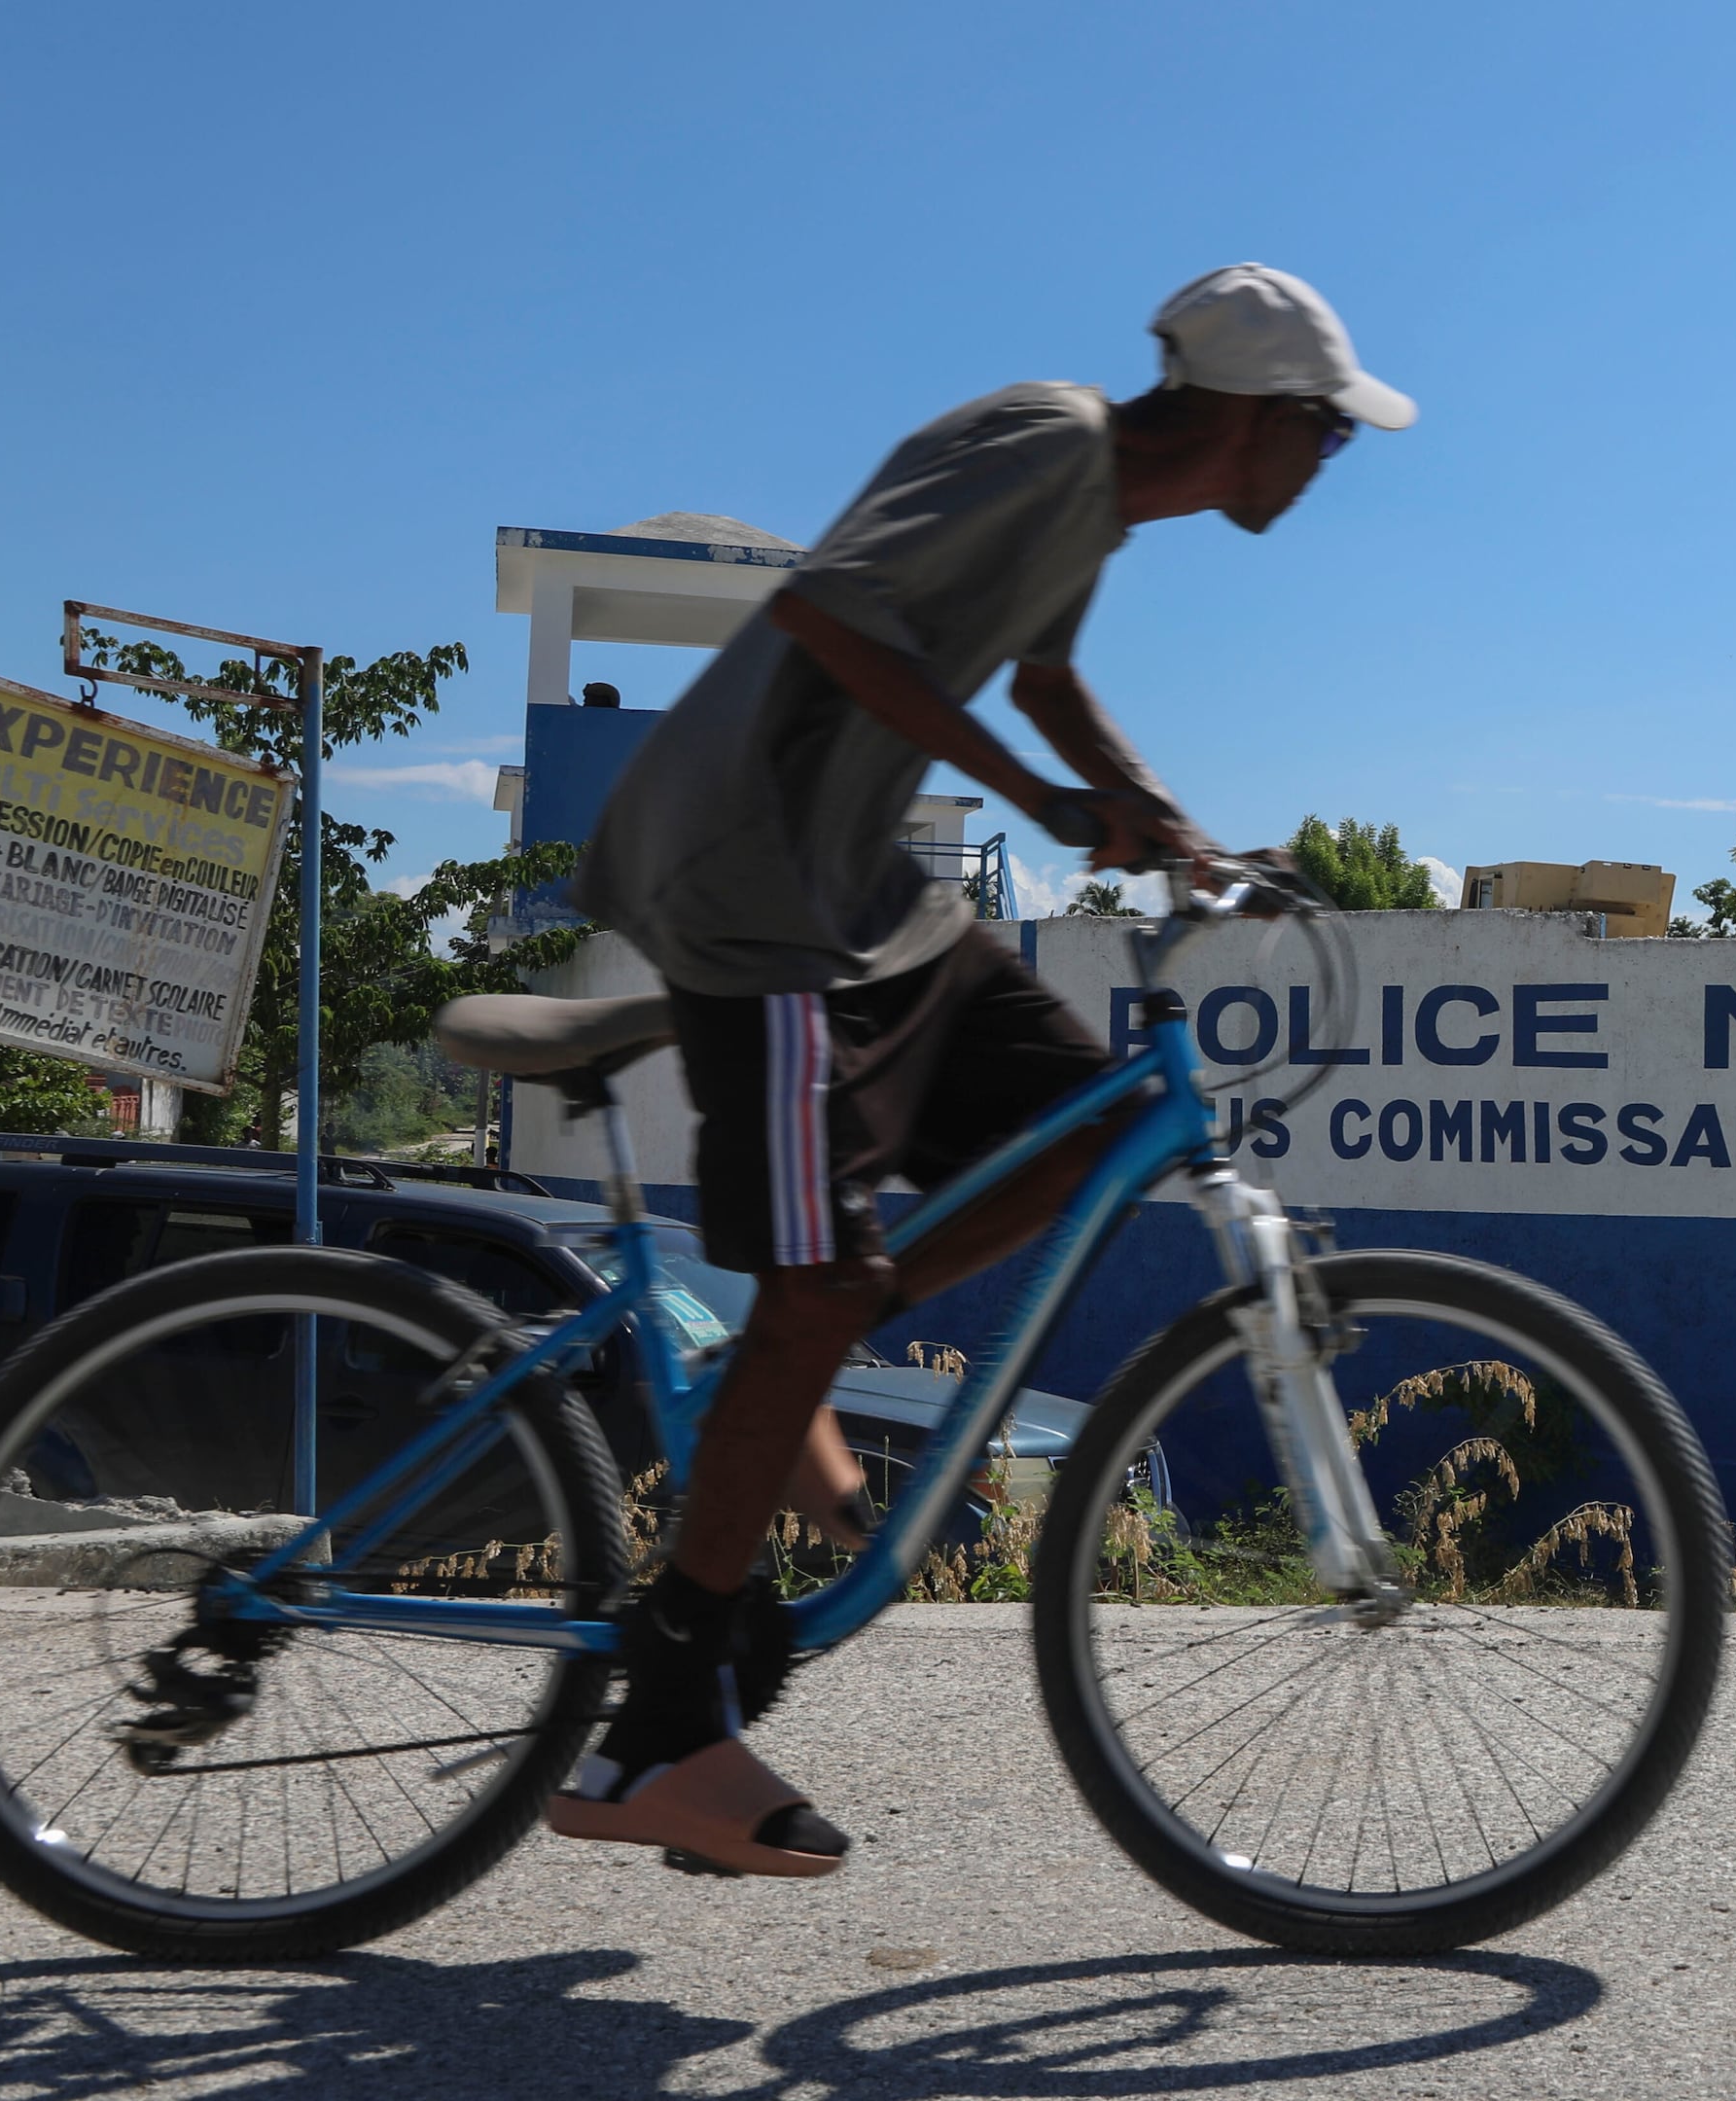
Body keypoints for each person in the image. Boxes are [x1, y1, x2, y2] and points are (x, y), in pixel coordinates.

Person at [542, 265, 1413, 1878]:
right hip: (760, 884)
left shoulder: (1092, 508)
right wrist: (1036, 797)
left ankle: (804, 1352)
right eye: (1326, 437)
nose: (1328, 463)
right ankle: (660, 1724)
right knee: (811, 1286)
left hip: (864, 886)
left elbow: (1048, 677)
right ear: (1255, 419)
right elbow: (822, 609)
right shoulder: (1040, 439)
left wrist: (1159, 818)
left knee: (1087, 1138)